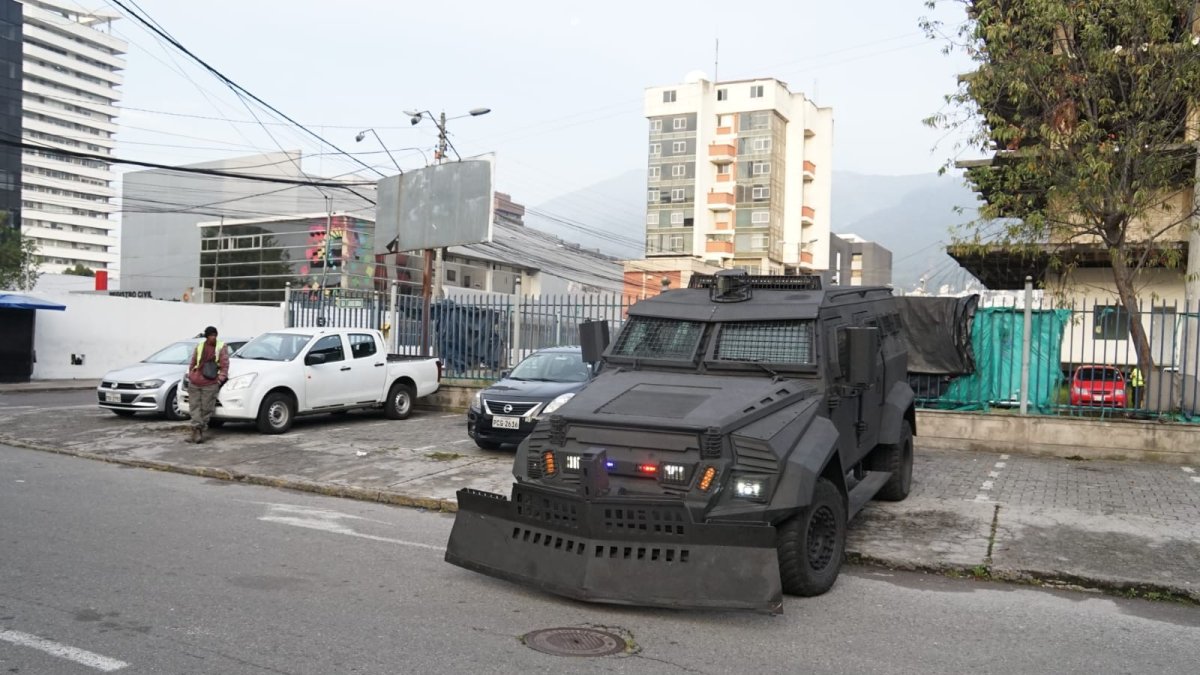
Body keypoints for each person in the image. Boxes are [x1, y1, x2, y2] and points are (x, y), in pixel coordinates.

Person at [186, 326, 229, 443]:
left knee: (206, 409)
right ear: (206, 336)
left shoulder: (221, 347)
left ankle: (199, 430)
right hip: (195, 381)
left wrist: (219, 380)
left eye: (215, 335)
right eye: (211, 335)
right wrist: (191, 374)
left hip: (210, 382)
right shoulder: (200, 346)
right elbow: (193, 361)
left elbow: (225, 365)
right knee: (194, 407)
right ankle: (196, 430)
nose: (213, 337)